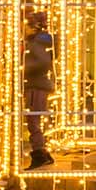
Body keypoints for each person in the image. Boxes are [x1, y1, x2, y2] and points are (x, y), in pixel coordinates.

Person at [24, 9, 57, 170]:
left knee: (33, 121)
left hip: (36, 85)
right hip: (38, 84)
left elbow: (40, 63)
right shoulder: (40, 41)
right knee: (34, 120)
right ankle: (42, 151)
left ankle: (39, 153)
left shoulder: (37, 42)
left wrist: (23, 68)